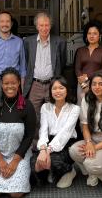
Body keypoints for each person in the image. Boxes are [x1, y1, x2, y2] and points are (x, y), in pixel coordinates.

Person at [0, 67, 36, 198]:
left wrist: (15, 161)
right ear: (2, 84)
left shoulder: (27, 105)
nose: (10, 86)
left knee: (16, 194)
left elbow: (29, 136)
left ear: (18, 84)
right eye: (6, 83)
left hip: (18, 154)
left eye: (13, 83)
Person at [69, 72, 102, 187]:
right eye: (94, 84)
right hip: (93, 140)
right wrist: (89, 143)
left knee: (90, 163)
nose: (97, 87)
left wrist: (94, 148)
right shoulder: (86, 100)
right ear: (90, 86)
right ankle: (95, 172)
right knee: (73, 151)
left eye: (101, 84)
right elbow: (84, 126)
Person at [23, 12, 67, 148]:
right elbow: (26, 62)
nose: (44, 28)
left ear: (50, 26)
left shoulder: (59, 41)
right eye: (41, 25)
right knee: (33, 115)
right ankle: (36, 143)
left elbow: (63, 62)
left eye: (46, 25)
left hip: (52, 85)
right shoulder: (28, 42)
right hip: (35, 84)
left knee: (53, 114)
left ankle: (51, 144)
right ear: (37, 26)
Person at [30, 76, 80, 188]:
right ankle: (49, 172)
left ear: (67, 90)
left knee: (53, 160)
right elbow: (43, 130)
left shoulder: (74, 109)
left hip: (67, 143)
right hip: (48, 141)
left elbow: (65, 133)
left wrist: (48, 151)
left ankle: (69, 171)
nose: (57, 91)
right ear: (50, 91)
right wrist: (43, 149)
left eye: (61, 88)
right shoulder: (45, 107)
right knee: (34, 162)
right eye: (54, 88)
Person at [75, 20, 102, 105]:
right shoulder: (80, 50)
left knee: (96, 108)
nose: (92, 36)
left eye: (95, 33)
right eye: (89, 33)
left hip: (98, 84)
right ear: (86, 36)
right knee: (82, 108)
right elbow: (77, 69)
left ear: (100, 36)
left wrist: (87, 77)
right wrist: (83, 84)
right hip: (81, 84)